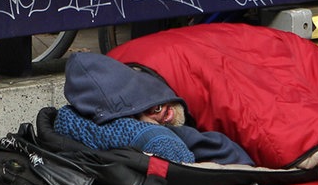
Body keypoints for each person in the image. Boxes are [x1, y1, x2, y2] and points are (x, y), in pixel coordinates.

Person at [54, 52, 255, 165]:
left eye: (149, 105)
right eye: (136, 114)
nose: (155, 114)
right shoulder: (166, 133)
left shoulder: (160, 65)